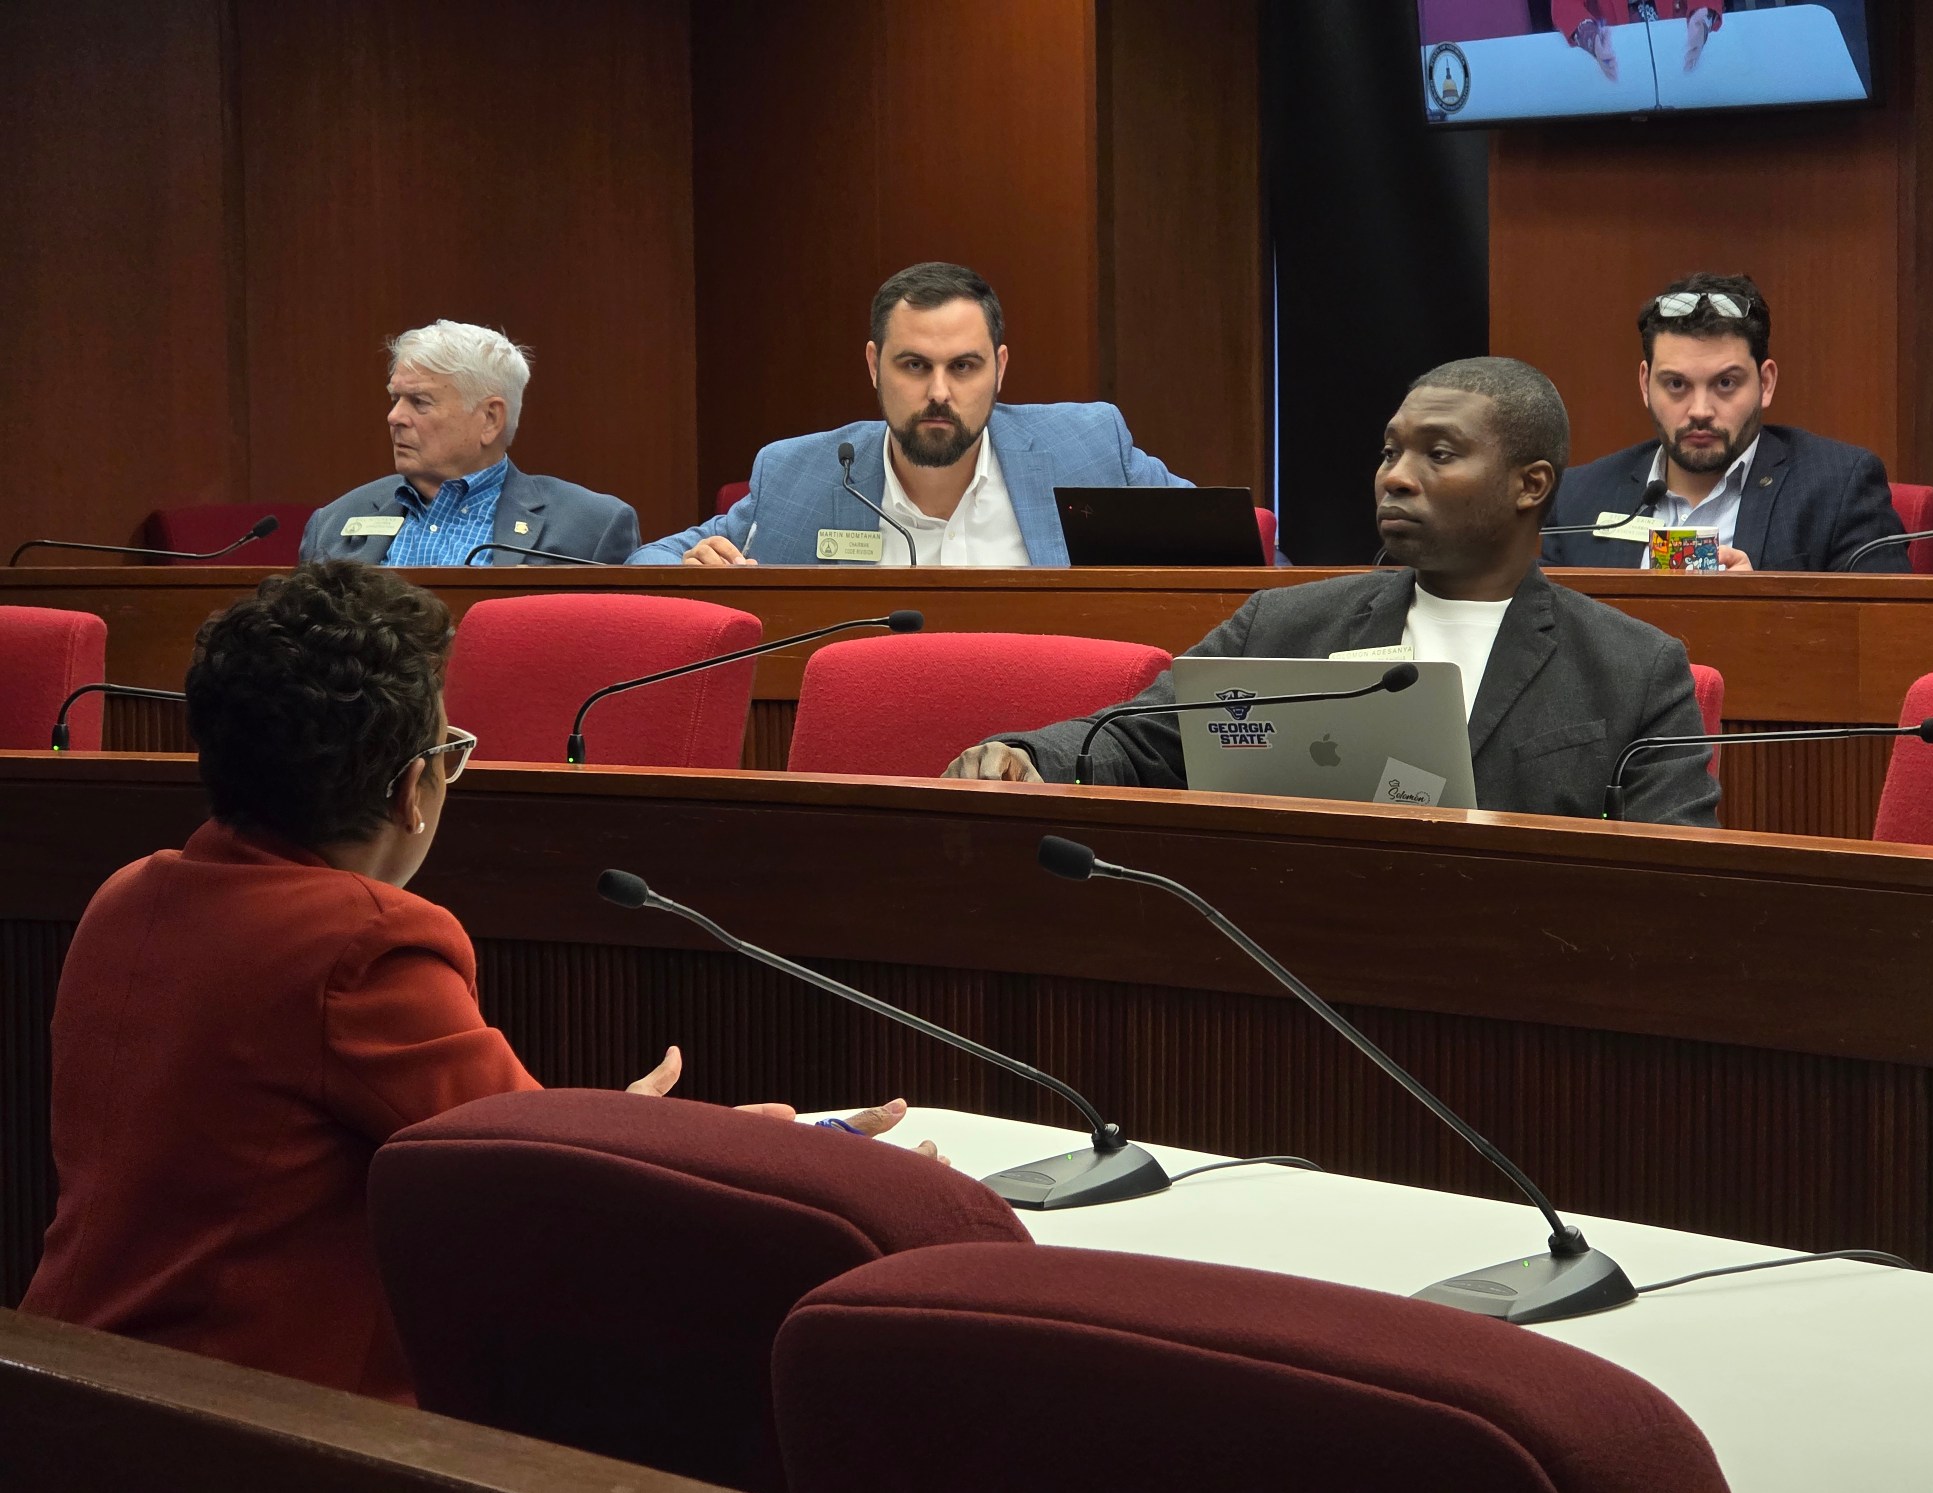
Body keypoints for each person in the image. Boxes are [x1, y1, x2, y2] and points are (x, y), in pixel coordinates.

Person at [20, 562, 931, 1402]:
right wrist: (786, 1168)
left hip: (69, 1391)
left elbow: (504, 1150)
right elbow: (538, 1201)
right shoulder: (363, 945)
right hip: (255, 1429)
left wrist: (633, 1135)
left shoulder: (127, 894)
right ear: (414, 787)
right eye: (452, 748)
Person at [946, 357, 1719, 827]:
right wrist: (1024, 754)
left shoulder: (1633, 668)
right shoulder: (1284, 623)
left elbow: (1679, 869)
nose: (1396, 475)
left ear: (1531, 485)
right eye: (1391, 450)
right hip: (1295, 967)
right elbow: (1132, 739)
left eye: (1438, 454)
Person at [628, 262, 1188, 566]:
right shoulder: (802, 474)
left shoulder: (1086, 447)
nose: (939, 391)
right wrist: (697, 569)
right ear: (874, 366)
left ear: (1000, 368)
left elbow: (1230, 547)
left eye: (964, 367)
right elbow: (651, 561)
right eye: (915, 365)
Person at [1541, 273, 1908, 572]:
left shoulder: (1837, 488)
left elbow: (1887, 638)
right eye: (1676, 385)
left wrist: (1759, 609)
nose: (1700, 409)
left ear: (1765, 383)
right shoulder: (1579, 499)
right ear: (1645, 385)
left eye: (1725, 383)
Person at [299, 320, 638, 566]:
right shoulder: (333, 522)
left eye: (419, 402)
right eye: (395, 399)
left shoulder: (591, 527)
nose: (395, 417)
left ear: (490, 419)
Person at [1553, 1, 1722, 78]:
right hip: (1617, 65)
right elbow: (1565, 6)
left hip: (1681, 54)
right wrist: (1592, 38)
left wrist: (1702, 16)